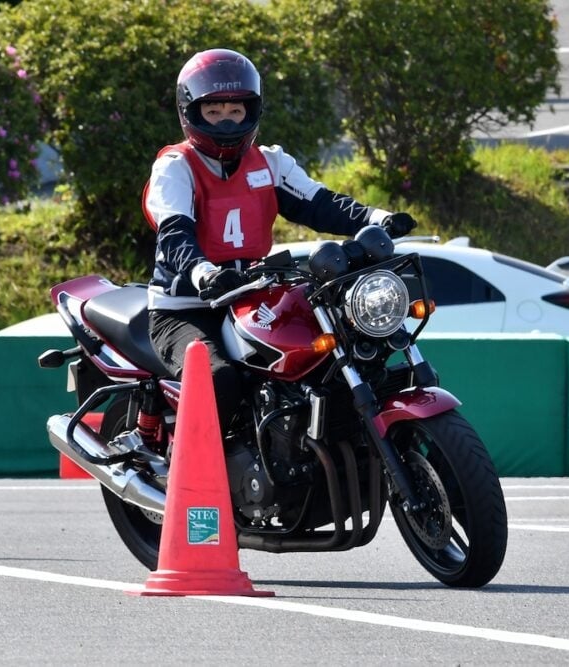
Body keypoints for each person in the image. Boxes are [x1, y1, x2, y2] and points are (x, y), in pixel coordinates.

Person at [140, 47, 416, 439]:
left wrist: (378, 219)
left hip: (249, 299)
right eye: (213, 111)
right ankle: (195, 484)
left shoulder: (269, 162)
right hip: (185, 307)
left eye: (235, 110)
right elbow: (175, 233)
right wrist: (203, 273)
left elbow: (320, 204)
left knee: (318, 359)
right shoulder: (176, 166)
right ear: (191, 112)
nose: (226, 120)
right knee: (217, 379)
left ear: (252, 110)